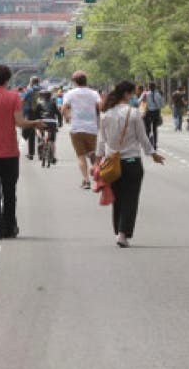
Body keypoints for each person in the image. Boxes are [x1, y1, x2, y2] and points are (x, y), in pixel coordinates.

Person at [0, 64, 45, 240]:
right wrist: (35, 123)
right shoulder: (13, 97)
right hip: (9, 153)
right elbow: (19, 122)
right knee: (9, 191)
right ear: (7, 80)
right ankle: (9, 227)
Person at [96, 81, 165, 248]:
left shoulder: (106, 115)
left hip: (112, 164)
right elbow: (143, 137)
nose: (134, 97)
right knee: (130, 199)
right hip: (132, 162)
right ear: (126, 94)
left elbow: (101, 140)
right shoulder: (133, 113)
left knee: (117, 199)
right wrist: (153, 154)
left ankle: (118, 230)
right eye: (132, 94)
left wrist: (98, 161)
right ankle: (122, 233)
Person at [61, 70, 101, 190]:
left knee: (81, 156)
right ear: (86, 80)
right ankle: (98, 176)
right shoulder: (94, 93)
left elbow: (63, 109)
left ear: (74, 82)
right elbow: (101, 107)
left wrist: (68, 117)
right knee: (91, 153)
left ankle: (86, 180)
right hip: (92, 128)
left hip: (76, 128)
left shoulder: (70, 94)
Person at [20, 76, 42, 160]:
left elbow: (22, 100)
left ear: (31, 82)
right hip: (40, 113)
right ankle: (41, 152)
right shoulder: (43, 89)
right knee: (40, 130)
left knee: (30, 134)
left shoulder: (29, 90)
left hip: (30, 113)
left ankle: (31, 153)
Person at [142, 82, 163, 149]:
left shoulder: (145, 94)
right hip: (156, 112)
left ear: (149, 87)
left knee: (147, 129)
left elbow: (140, 101)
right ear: (155, 87)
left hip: (148, 112)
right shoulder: (158, 95)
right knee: (154, 129)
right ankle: (155, 144)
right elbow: (161, 104)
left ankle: (147, 144)